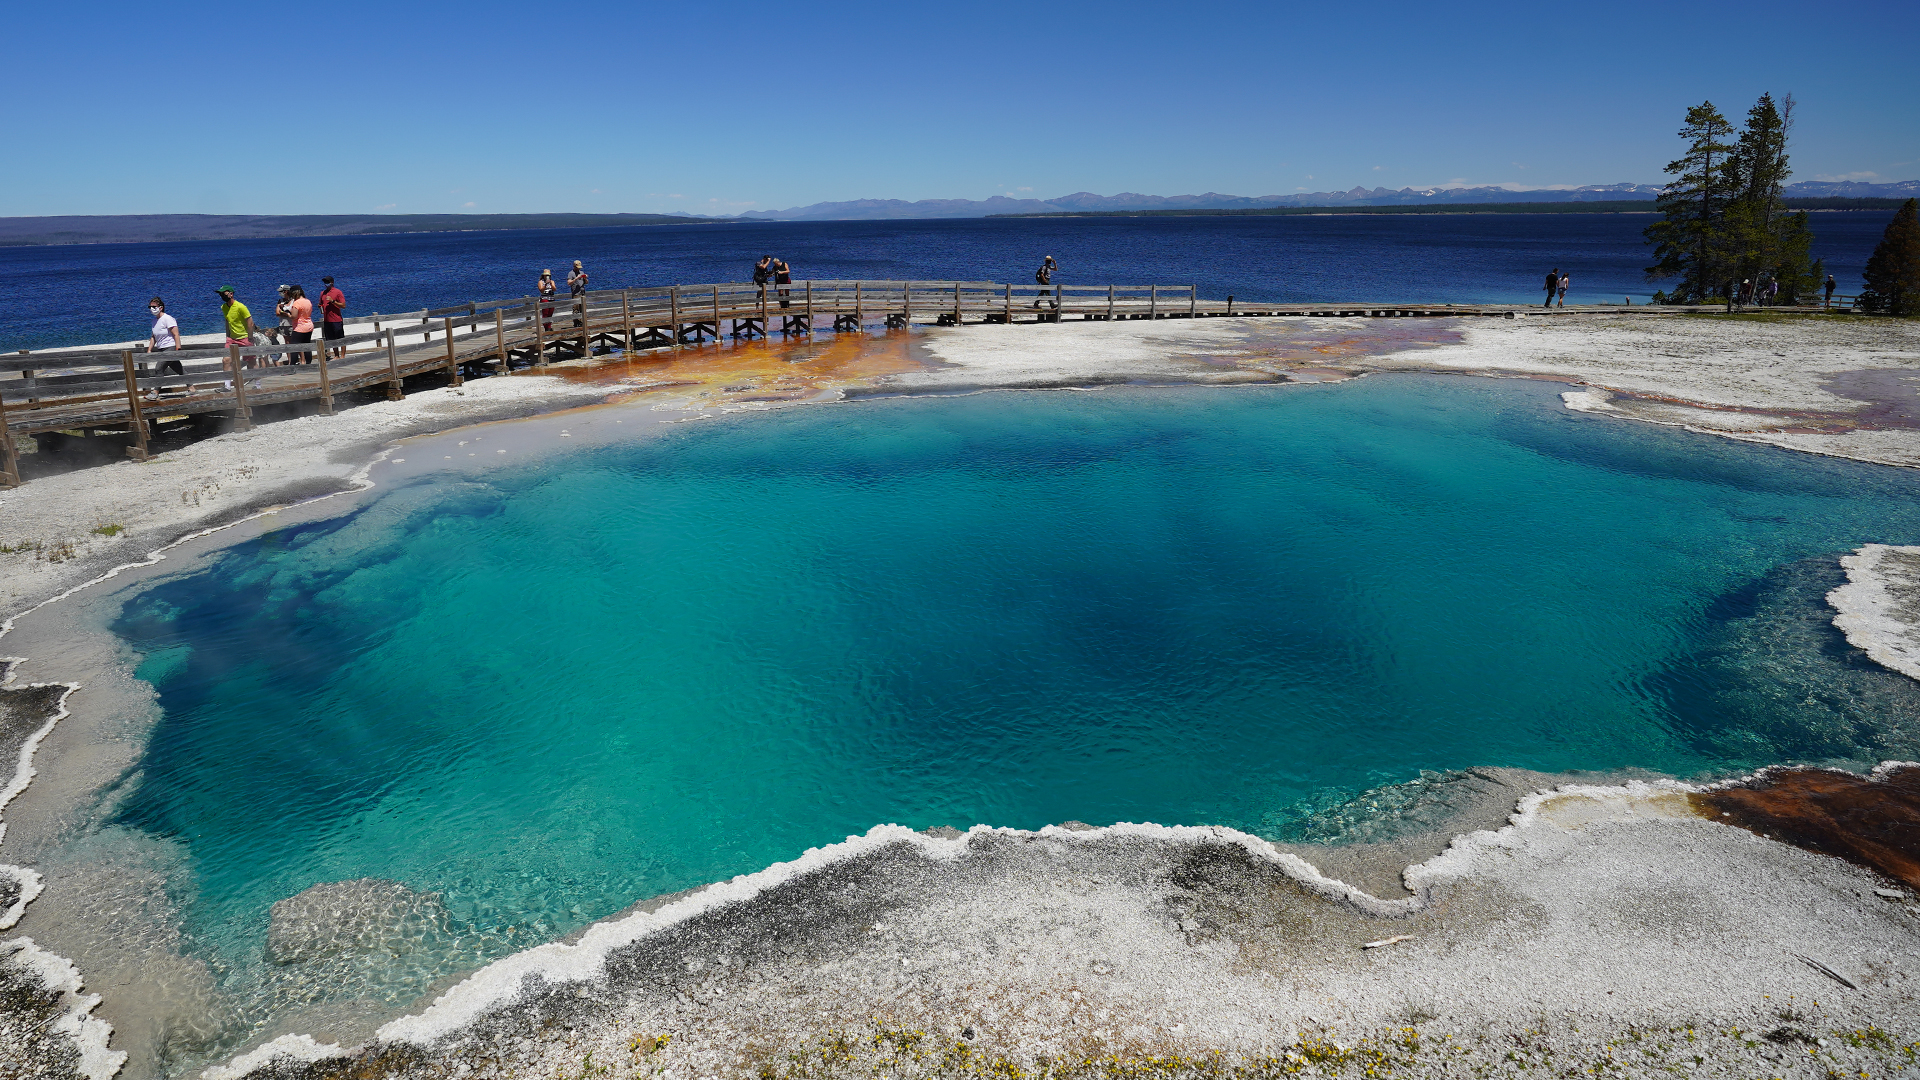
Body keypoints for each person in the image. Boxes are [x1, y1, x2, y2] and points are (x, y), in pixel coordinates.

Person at [216, 286, 257, 370]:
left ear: (231, 294)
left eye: (223, 293)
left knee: (251, 361)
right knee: (226, 360)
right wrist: (228, 336)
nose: (221, 296)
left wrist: (250, 337)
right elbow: (227, 321)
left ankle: (257, 383)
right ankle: (227, 383)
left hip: (244, 337)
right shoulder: (224, 307)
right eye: (220, 294)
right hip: (232, 339)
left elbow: (250, 322)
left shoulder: (240, 307)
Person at [146, 297, 184, 379]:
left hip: (170, 347)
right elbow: (154, 336)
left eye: (154, 307)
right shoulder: (154, 321)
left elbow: (176, 334)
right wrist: (149, 350)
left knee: (158, 369)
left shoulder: (167, 318)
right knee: (179, 369)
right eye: (150, 307)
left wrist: (178, 348)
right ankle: (191, 387)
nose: (152, 309)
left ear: (161, 308)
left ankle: (156, 391)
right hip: (161, 348)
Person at [319, 276, 347, 359]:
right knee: (331, 339)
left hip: (336, 319)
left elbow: (343, 305)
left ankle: (342, 355)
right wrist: (320, 306)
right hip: (327, 320)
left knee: (340, 338)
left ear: (332, 282)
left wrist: (333, 301)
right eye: (325, 282)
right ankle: (336, 355)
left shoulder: (338, 292)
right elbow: (321, 303)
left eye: (327, 282)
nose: (326, 284)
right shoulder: (322, 293)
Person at [286, 284, 314, 364]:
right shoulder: (307, 301)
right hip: (309, 325)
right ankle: (309, 364)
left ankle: (292, 366)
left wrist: (288, 314)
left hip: (300, 327)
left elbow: (294, 316)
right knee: (307, 346)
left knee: (294, 347)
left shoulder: (297, 303)